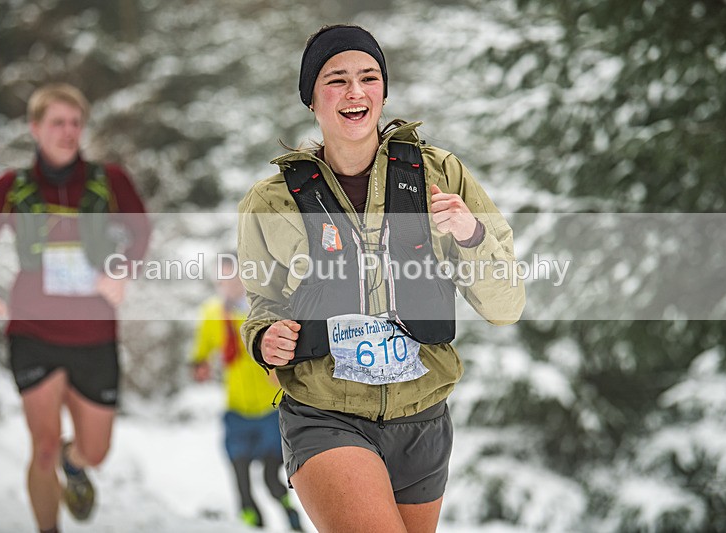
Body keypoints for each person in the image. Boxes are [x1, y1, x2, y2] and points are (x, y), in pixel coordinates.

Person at [237, 25, 526, 532]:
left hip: (423, 416)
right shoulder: (272, 201)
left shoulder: (440, 176)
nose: (355, 92)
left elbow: (506, 306)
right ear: (311, 98)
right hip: (325, 413)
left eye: (368, 77)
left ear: (384, 92)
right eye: (336, 79)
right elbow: (263, 301)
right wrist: (264, 338)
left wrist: (471, 233)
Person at [0, 83, 150, 533]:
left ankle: (75, 462)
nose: (67, 132)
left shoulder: (110, 181)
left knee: (96, 451)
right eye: (56, 123)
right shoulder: (12, 187)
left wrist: (122, 269)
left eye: (74, 123)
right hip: (33, 330)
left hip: (95, 333)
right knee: (42, 447)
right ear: (35, 128)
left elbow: (141, 231)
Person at [190, 258, 302, 531]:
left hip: (269, 410)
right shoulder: (212, 314)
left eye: (236, 279)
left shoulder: (263, 309)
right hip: (236, 410)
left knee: (270, 478)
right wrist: (199, 366)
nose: (231, 286)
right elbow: (200, 354)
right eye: (224, 281)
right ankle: (252, 526)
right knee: (240, 480)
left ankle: (291, 517)